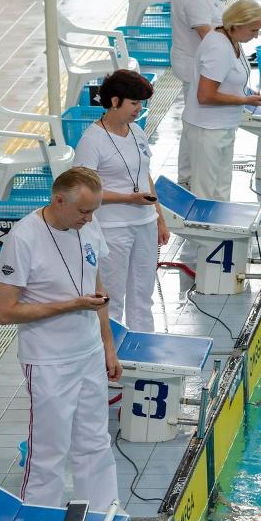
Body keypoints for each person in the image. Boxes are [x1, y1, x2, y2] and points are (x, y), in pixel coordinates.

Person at [0, 167, 122, 510]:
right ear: (58, 200)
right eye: (83, 211)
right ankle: (38, 516)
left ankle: (102, 512)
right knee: (48, 452)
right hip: (48, 361)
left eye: (93, 211)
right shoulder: (24, 238)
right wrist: (71, 305)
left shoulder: (87, 225)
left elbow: (97, 288)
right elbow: (4, 312)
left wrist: (108, 346)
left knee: (96, 441)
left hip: (90, 353)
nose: (89, 218)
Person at [74, 70, 169, 332]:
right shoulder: (92, 141)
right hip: (112, 229)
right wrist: (128, 198)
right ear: (115, 101)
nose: (139, 109)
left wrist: (159, 218)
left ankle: (143, 345)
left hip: (145, 224)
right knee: (112, 297)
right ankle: (110, 350)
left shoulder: (136, 131)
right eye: (134, 103)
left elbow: (145, 174)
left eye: (141, 103)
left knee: (143, 295)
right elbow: (83, 191)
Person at [180, 0, 261, 201]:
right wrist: (244, 100)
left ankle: (220, 221)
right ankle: (201, 223)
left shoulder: (232, 39)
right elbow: (205, 96)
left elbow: (229, 80)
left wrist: (247, 95)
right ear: (236, 25)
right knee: (205, 193)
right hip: (207, 129)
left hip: (222, 126)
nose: (256, 36)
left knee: (221, 189)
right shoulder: (218, 47)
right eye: (253, 30)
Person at [171, 0, 226, 190]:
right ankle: (189, 178)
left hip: (198, 65)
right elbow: (206, 34)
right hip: (197, 68)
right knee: (195, 126)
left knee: (192, 124)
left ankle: (188, 177)